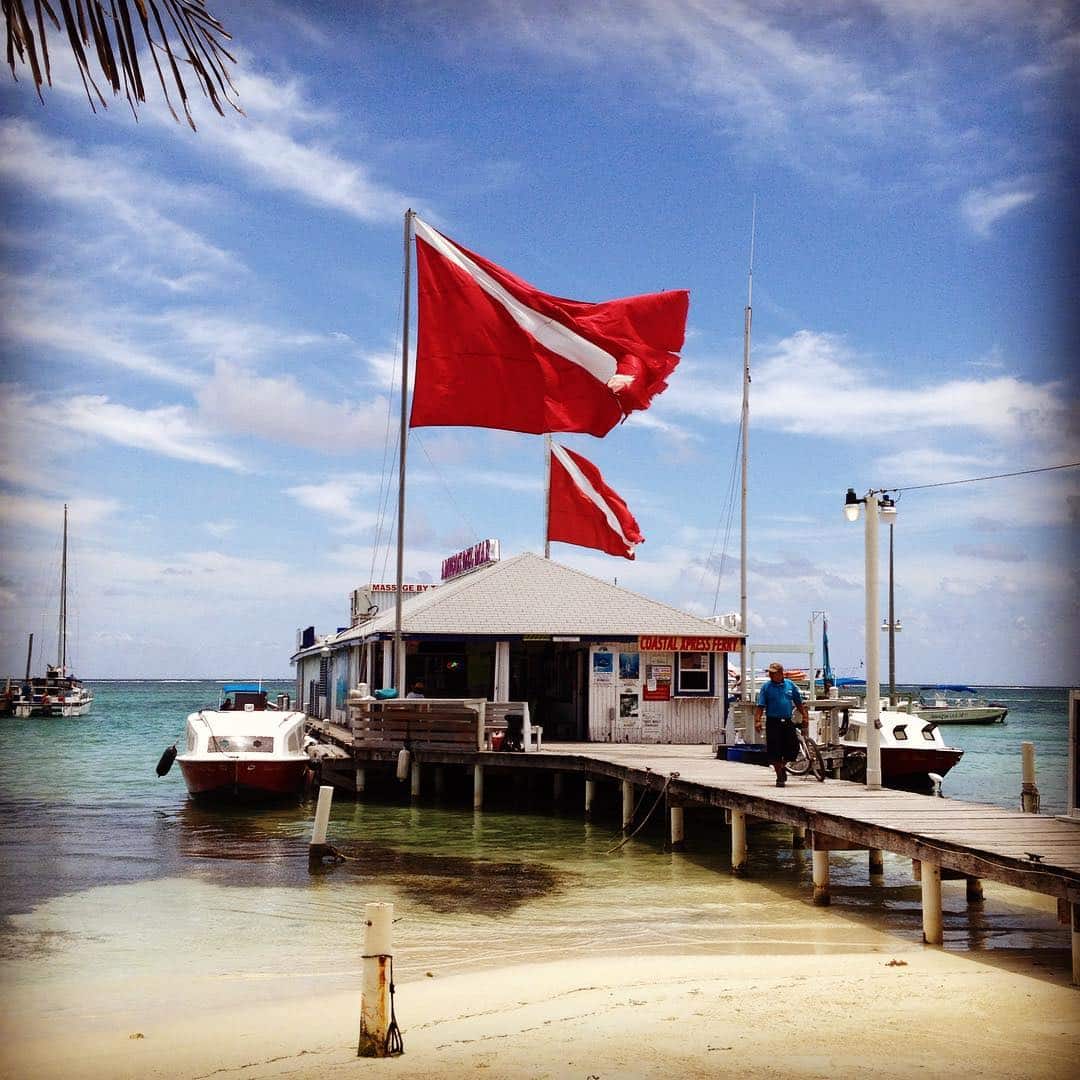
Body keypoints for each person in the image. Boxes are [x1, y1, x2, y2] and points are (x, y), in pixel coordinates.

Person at [754, 662, 809, 787]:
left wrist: (805, 716)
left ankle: (782, 766)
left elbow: (798, 702)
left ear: (780, 673)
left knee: (793, 748)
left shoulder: (790, 685)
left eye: (774, 673)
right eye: (770, 673)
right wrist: (757, 721)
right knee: (775, 751)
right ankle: (779, 776)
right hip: (773, 722)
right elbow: (760, 706)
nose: (771, 675)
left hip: (787, 720)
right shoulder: (766, 687)